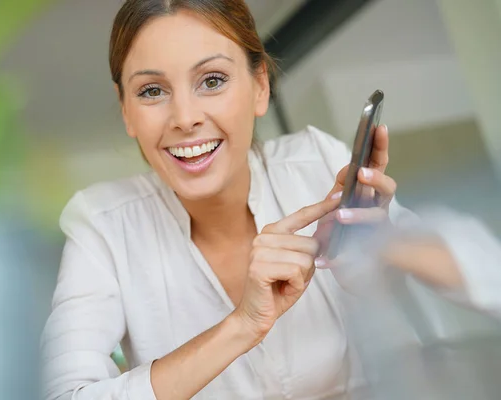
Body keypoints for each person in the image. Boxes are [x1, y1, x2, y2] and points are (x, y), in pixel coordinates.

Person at [41, 1, 499, 399]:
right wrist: (242, 325)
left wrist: (383, 243)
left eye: (213, 80)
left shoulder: (316, 161)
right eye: (152, 91)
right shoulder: (100, 224)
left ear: (260, 87)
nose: (184, 118)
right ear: (126, 111)